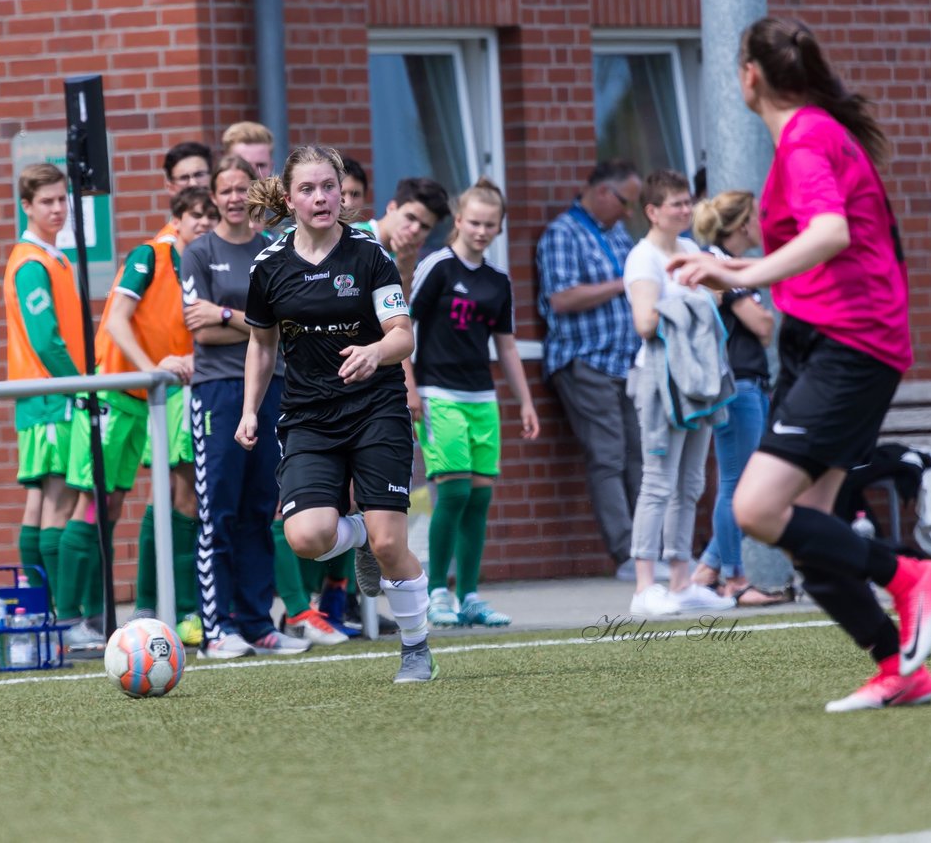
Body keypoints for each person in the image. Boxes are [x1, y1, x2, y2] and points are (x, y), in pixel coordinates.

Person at [671, 17, 931, 712]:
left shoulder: (806, 138)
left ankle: (908, 574)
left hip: (851, 345)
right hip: (828, 340)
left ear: (749, 77)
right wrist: (735, 269)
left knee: (757, 507)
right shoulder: (816, 133)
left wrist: (745, 271)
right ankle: (897, 667)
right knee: (806, 536)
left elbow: (831, 233)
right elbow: (827, 248)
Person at [243, 144, 438, 682]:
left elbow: (403, 335)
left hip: (376, 408)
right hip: (308, 415)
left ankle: (416, 648)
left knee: (392, 541)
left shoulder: (368, 253)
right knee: (305, 537)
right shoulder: (269, 266)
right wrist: (249, 412)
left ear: (341, 193)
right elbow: (261, 345)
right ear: (290, 199)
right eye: (307, 189)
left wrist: (376, 352)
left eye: (329, 186)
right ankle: (360, 533)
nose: (321, 197)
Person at [62, 186, 218, 648]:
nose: (205, 224)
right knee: (93, 502)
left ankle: (130, 614)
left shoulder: (198, 267)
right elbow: (115, 322)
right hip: (114, 390)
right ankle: (67, 618)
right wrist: (150, 367)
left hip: (150, 395)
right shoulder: (150, 256)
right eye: (196, 216)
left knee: (132, 500)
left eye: (210, 217)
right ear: (177, 218)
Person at [180, 155, 310, 657]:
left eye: (243, 188)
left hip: (271, 386)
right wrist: (248, 320)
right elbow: (201, 328)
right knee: (219, 510)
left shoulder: (271, 251)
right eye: (226, 190)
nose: (235, 197)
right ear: (213, 197)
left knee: (261, 508)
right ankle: (217, 629)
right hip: (217, 391)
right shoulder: (197, 252)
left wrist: (228, 311)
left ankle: (259, 623)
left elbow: (276, 327)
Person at [407, 178, 539, 628]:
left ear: (499, 228)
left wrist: (525, 402)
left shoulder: (498, 281)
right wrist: (408, 386)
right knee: (454, 490)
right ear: (458, 221)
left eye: (490, 224)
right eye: (474, 222)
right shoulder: (437, 267)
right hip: (438, 394)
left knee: (480, 498)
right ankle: (436, 591)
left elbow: (505, 346)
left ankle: (470, 595)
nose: (481, 231)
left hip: (482, 397)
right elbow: (402, 327)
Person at [622, 170, 735, 617]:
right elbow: (645, 323)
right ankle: (644, 587)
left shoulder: (690, 250)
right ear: (653, 211)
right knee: (657, 481)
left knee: (691, 483)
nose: (686, 211)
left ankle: (681, 580)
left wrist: (704, 288)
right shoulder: (642, 258)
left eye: (688, 203)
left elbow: (723, 295)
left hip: (696, 379)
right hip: (658, 380)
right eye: (676, 204)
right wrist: (695, 296)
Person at [536, 160, 643, 581]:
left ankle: (649, 550)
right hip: (585, 362)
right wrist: (623, 283)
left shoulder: (616, 232)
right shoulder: (563, 233)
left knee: (639, 455)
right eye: (626, 202)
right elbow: (561, 298)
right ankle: (626, 554)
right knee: (609, 456)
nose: (629, 213)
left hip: (625, 363)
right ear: (602, 193)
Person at [689, 191, 786, 607]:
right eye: (756, 216)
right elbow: (762, 325)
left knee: (750, 484)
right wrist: (749, 307)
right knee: (737, 484)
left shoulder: (736, 268)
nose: (762, 223)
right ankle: (733, 579)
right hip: (734, 384)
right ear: (741, 224)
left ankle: (709, 569)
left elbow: (765, 325)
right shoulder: (716, 264)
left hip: (753, 382)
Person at [4, 163, 83, 620]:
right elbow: (46, 338)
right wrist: (82, 385)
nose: (57, 209)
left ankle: (42, 611)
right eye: (46, 201)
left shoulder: (54, 257)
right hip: (52, 397)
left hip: (42, 396)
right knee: (57, 501)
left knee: (39, 502)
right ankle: (60, 615)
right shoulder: (32, 262)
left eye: (62, 199)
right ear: (26, 207)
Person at [354, 177, 450, 296]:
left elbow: (402, 313)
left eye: (425, 227)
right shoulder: (353, 237)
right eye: (410, 217)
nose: (415, 229)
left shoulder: (410, 259)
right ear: (391, 208)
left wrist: (405, 273)